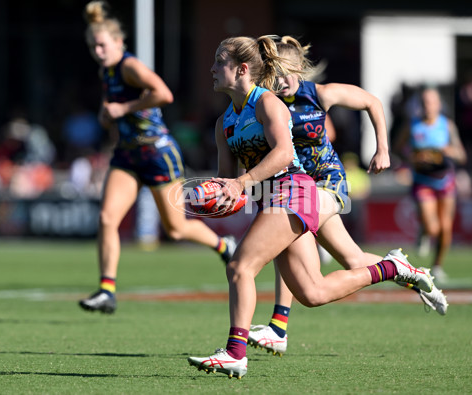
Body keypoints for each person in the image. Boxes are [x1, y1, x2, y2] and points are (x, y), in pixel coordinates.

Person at [187, 35, 434, 379]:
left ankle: (235, 353)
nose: (211, 68)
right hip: (272, 200)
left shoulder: (268, 103)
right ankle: (390, 269)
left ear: (242, 70)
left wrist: (242, 183)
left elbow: (285, 154)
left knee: (240, 266)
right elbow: (228, 180)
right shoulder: (223, 124)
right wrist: (216, 196)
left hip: (295, 192)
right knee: (312, 293)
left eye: (219, 61)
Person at [247, 36, 449, 357]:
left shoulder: (320, 95)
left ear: (300, 69)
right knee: (354, 261)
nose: (279, 80)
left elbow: (373, 102)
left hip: (327, 183)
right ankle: (406, 272)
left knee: (283, 235)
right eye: (273, 73)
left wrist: (382, 148)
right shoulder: (265, 102)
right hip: (297, 188)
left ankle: (278, 327)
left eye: (286, 72)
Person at [78, 1, 236, 314]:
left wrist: (122, 110)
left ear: (119, 43)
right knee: (108, 218)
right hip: (127, 153)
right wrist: (107, 114)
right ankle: (107, 290)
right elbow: (113, 101)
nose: (98, 51)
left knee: (176, 230)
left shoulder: (129, 65)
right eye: (93, 46)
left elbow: (164, 94)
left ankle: (224, 245)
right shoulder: (106, 70)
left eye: (102, 45)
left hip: (156, 152)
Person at [393, 87, 467, 283]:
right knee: (433, 227)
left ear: (439, 105)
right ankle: (424, 232)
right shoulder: (413, 125)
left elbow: (461, 154)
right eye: (425, 102)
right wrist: (413, 157)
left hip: (444, 180)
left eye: (432, 102)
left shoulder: (447, 125)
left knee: (445, 228)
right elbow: (398, 148)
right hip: (422, 181)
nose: (428, 106)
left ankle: (438, 265)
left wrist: (447, 151)